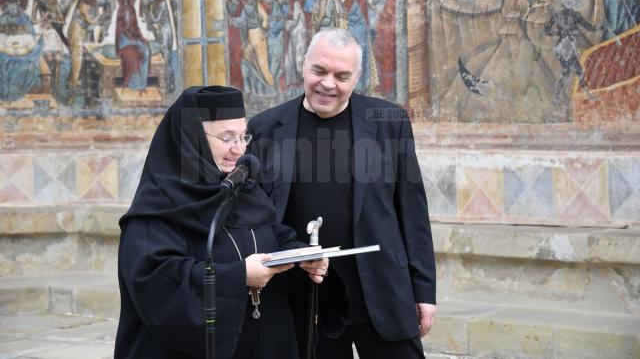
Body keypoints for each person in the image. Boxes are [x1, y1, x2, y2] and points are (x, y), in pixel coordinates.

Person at [248, 29, 437, 359]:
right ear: (303, 65)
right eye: (319, 71)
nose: (328, 84)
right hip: (308, 300)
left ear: (357, 76)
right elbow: (259, 217)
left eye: (342, 76)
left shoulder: (389, 122)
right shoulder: (266, 127)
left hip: (383, 291)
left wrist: (424, 292)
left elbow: (413, 213)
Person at [115, 86, 328, 359]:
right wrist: (238, 276)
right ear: (192, 140)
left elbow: (273, 233)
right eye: (227, 138)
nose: (238, 149)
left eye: (243, 136)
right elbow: (157, 282)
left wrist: (302, 255)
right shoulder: (157, 207)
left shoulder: (242, 186)